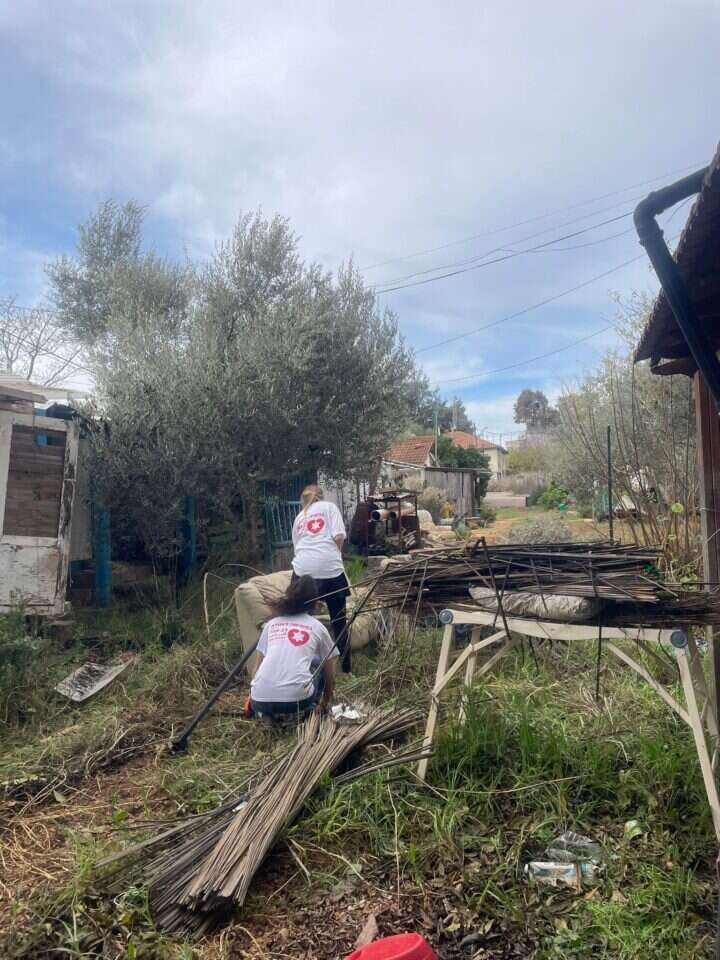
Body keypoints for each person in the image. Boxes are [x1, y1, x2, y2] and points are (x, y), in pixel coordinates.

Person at [250, 575, 338, 720]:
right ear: (315, 601)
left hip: (258, 700)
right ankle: (312, 710)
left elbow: (256, 669)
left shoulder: (271, 625)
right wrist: (324, 703)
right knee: (317, 661)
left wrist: (255, 693)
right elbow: (330, 675)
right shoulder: (317, 627)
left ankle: (267, 716)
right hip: (297, 700)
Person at [291, 484, 352, 672]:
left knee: (300, 619)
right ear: (321, 497)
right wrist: (334, 554)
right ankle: (346, 668)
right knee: (339, 620)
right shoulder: (330, 507)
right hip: (330, 571)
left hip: (303, 572)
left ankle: (301, 666)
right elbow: (339, 536)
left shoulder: (299, 517)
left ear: (303, 500)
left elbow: (298, 547)